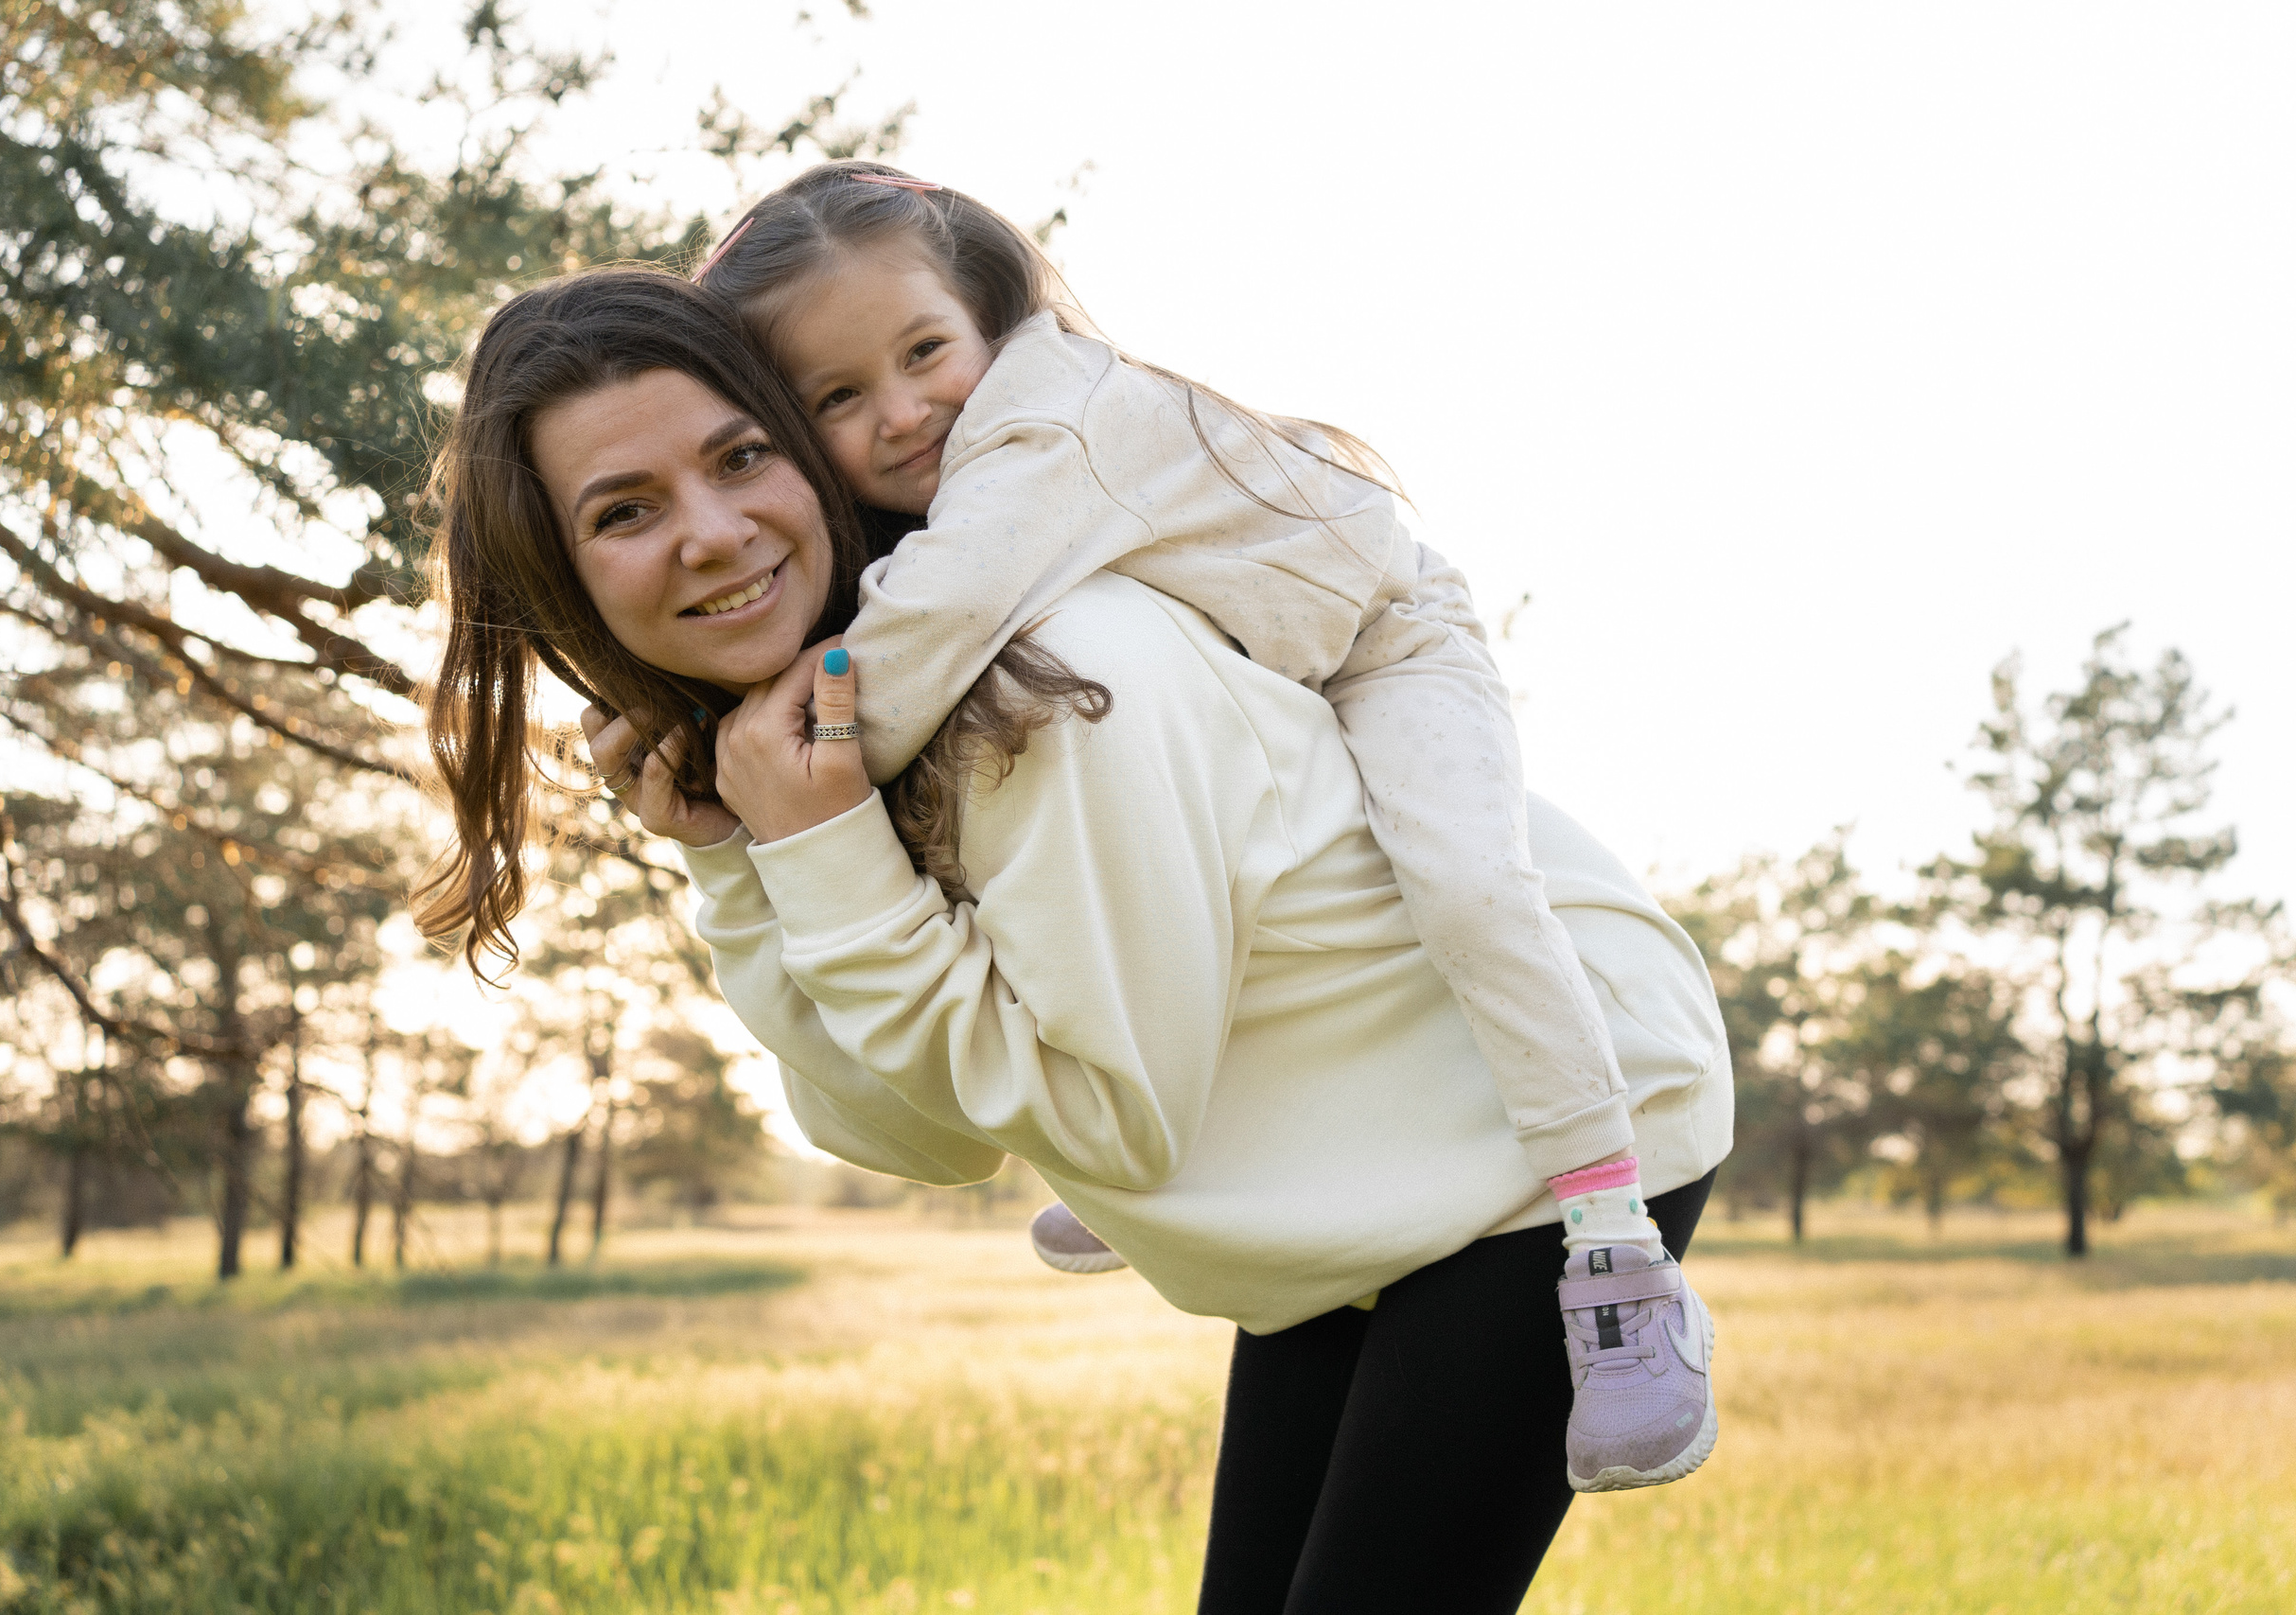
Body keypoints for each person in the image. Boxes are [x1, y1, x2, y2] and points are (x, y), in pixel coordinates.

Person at [415, 266, 1732, 1609]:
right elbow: (927, 1134)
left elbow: (1111, 1131)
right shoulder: (824, 731)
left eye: (741, 455)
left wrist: (818, 853)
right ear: (562, 584)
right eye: (624, 511)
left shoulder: (1052, 681)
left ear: (806, 460)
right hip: (1351, 1178)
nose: (709, 531)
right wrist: (746, 868)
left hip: (1529, 1124)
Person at [692, 160, 1717, 1494]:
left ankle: (1610, 1234)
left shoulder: (1036, 436)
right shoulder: (944, 497)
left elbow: (927, 635)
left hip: (1388, 636)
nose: (900, 413)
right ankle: (1153, 1132)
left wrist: (783, 783)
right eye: (836, 397)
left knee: (1464, 881)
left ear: (992, 325)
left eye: (925, 351)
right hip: (1268, 655)